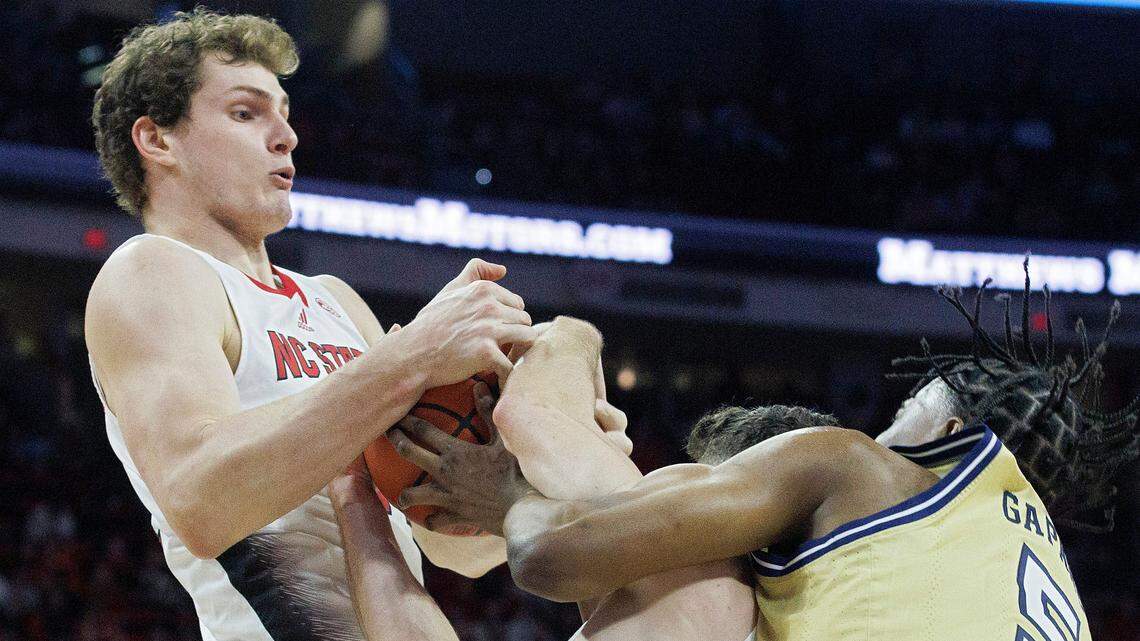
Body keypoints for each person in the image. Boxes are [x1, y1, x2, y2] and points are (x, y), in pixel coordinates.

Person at [85, 9, 537, 640]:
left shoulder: (336, 302)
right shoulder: (152, 272)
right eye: (247, 113)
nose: (286, 137)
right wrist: (413, 356)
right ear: (158, 141)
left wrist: (517, 455)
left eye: (286, 113)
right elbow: (201, 500)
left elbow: (460, 551)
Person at [382, 276, 1139, 641]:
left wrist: (513, 492)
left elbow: (551, 553)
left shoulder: (857, 467)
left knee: (702, 580)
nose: (880, 427)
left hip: (550, 511)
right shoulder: (1033, 574)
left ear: (946, 422)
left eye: (903, 411)